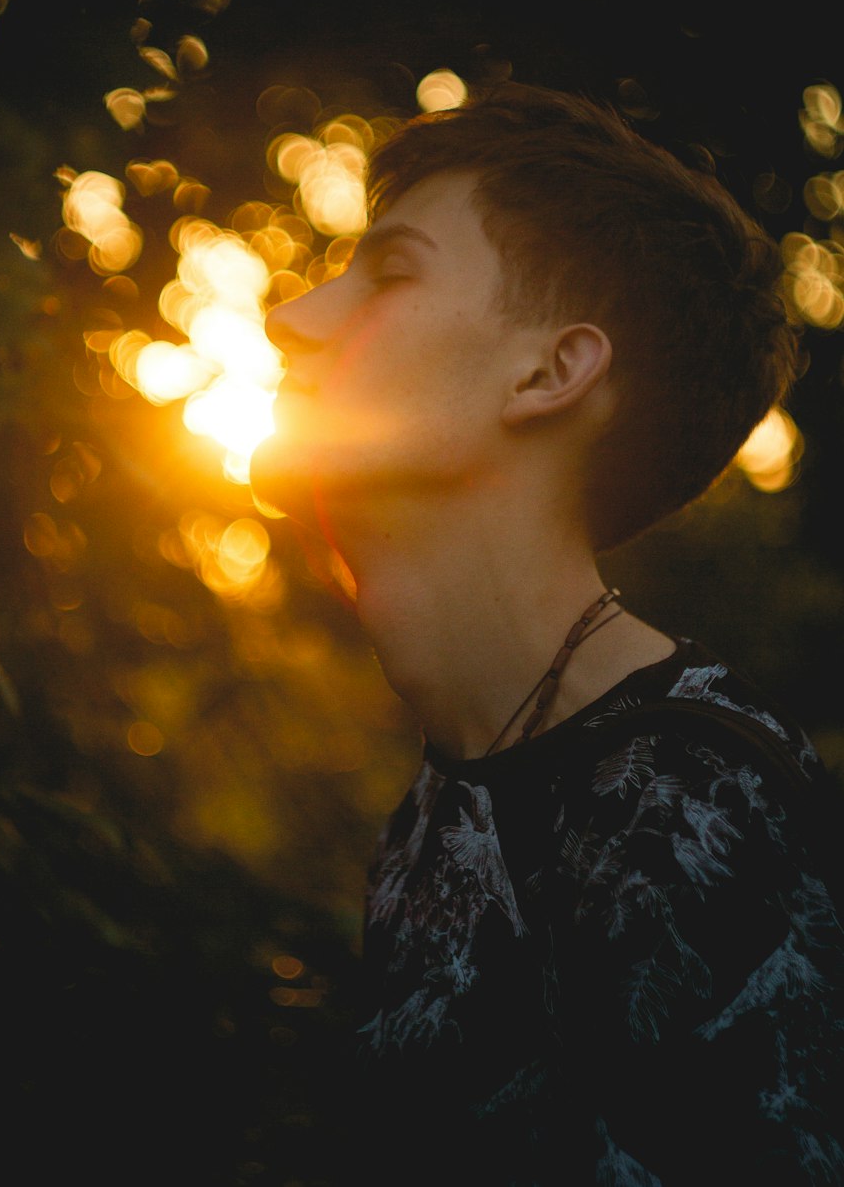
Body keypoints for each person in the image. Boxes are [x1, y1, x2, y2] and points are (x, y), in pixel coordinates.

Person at [249, 82, 844, 1184]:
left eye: (388, 274)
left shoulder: (694, 803)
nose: (289, 317)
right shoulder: (457, 781)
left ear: (549, 372)